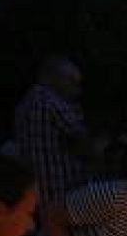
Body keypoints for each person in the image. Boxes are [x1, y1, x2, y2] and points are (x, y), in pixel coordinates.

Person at [14, 56, 101, 207]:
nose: (77, 89)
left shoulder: (27, 101)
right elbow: (85, 146)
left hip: (39, 195)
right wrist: (101, 143)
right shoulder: (51, 101)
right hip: (63, 194)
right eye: (72, 81)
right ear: (52, 78)